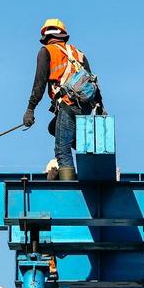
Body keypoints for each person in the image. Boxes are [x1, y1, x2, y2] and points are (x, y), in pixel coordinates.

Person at [21, 18, 105, 181]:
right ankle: (92, 159)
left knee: (62, 149)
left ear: (45, 35)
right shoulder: (78, 53)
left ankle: (68, 186)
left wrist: (30, 109)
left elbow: (39, 82)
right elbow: (92, 81)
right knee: (54, 128)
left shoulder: (46, 51)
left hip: (67, 104)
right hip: (86, 107)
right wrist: (101, 106)